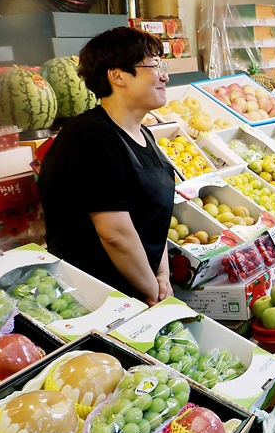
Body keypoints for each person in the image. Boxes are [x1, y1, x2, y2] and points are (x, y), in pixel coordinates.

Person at [39, 27, 175, 307]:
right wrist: (153, 292)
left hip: (139, 287)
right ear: (117, 75)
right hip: (96, 298)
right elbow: (114, 233)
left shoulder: (144, 134)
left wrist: (162, 274)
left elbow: (153, 219)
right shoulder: (89, 136)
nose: (165, 75)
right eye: (154, 65)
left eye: (163, 65)